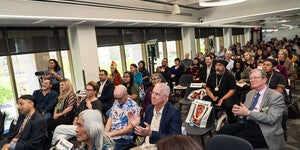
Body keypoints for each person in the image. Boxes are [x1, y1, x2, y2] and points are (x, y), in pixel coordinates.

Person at [219, 69, 285, 149]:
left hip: (264, 128)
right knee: (223, 130)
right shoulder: (250, 93)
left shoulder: (276, 96)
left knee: (236, 140)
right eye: (251, 78)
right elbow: (245, 111)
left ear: (264, 79)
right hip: (248, 123)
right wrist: (239, 111)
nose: (252, 80)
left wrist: (248, 113)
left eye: (255, 78)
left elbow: (271, 119)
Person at [51, 81, 102, 146]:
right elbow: (77, 112)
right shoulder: (84, 100)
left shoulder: (97, 103)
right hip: (78, 125)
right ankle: (57, 147)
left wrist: (90, 107)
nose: (87, 91)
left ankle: (52, 146)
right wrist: (75, 119)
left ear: (95, 91)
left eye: (90, 90)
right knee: (59, 137)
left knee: (58, 128)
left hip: (87, 128)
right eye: (86, 90)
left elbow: (96, 120)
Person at [105, 85, 140, 150]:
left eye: (120, 98)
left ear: (126, 95)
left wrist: (111, 134)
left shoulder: (133, 106)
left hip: (124, 137)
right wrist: (105, 133)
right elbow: (110, 119)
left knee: (108, 148)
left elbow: (129, 128)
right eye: (116, 98)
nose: (118, 100)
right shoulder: (116, 102)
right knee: (97, 145)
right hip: (112, 135)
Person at [206, 59, 237, 124]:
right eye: (216, 65)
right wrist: (213, 97)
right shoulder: (212, 76)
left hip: (226, 97)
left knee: (229, 105)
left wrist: (222, 99)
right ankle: (210, 119)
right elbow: (207, 89)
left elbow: (232, 91)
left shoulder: (230, 76)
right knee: (204, 102)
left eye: (220, 65)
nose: (217, 67)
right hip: (214, 96)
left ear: (224, 67)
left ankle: (232, 123)